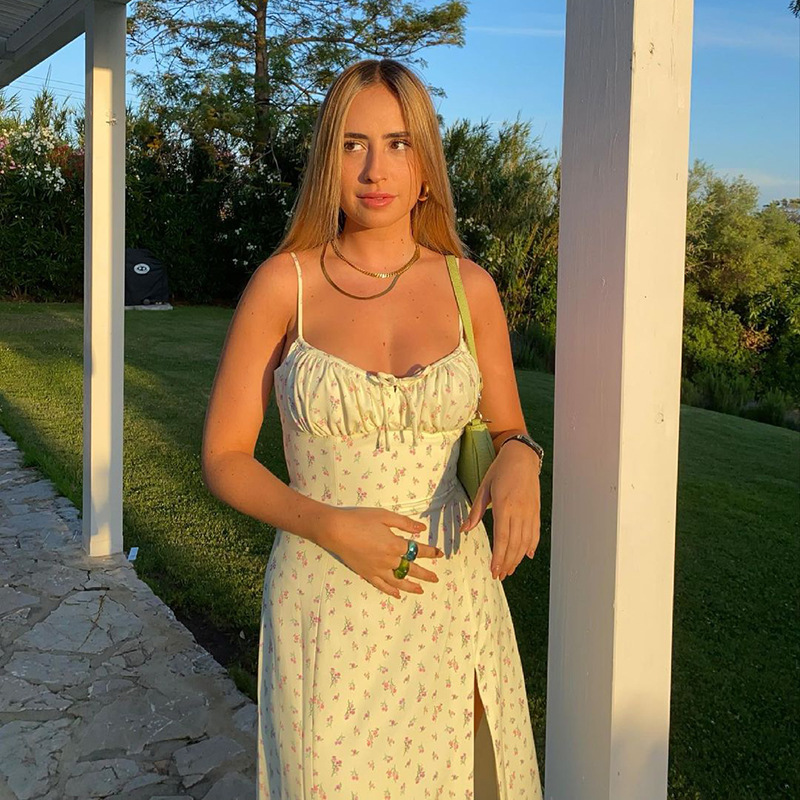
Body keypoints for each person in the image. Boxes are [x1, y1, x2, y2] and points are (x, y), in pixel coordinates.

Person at [201, 57, 543, 799]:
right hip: (325, 601)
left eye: (397, 143)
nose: (374, 169)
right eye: (353, 143)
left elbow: (509, 428)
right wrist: (329, 524)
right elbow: (224, 457)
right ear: (327, 160)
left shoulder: (470, 287)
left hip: (448, 599)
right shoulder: (283, 284)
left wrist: (523, 458)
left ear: (426, 167)